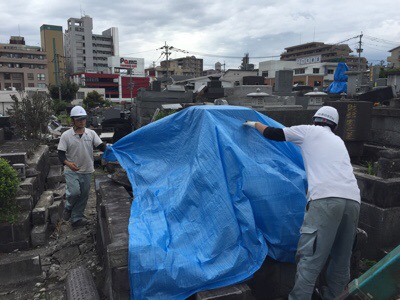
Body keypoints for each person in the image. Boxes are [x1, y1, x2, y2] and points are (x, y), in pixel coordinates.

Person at [243, 106, 360, 300]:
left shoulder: (308, 131)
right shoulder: (338, 141)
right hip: (353, 200)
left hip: (326, 200)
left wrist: (255, 124)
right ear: (334, 125)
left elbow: (274, 133)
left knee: (310, 258)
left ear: (316, 120)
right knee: (341, 260)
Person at [58, 106, 108, 228]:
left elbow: (101, 146)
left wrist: (113, 149)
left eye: (84, 119)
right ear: (73, 120)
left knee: (84, 195)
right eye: (79, 119)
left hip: (87, 170)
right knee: (74, 192)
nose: (82, 121)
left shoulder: (91, 134)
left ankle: (76, 219)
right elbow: (60, 154)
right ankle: (68, 207)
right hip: (71, 170)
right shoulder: (66, 135)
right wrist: (68, 163)